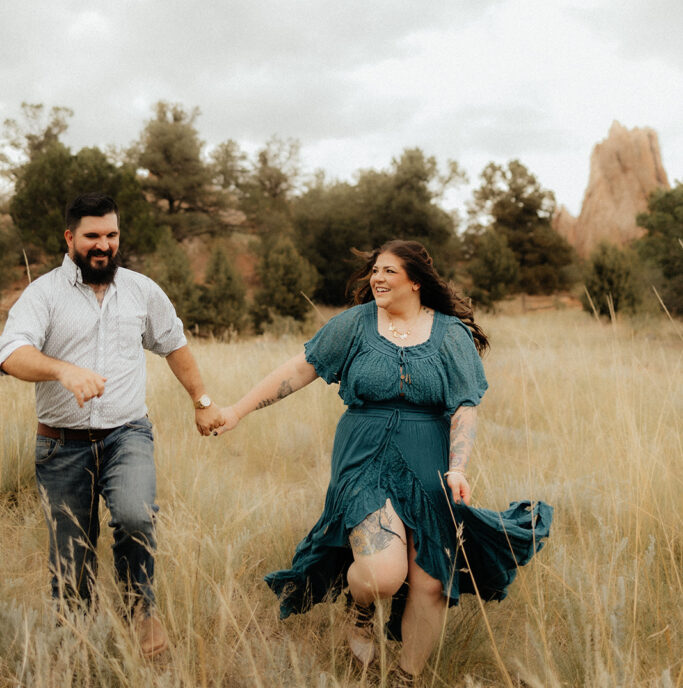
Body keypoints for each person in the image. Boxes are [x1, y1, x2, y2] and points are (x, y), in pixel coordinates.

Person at [216, 239, 552, 686]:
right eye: (375, 270)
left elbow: (465, 407)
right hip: (365, 456)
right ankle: (359, 610)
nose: (377, 278)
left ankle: (405, 677)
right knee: (381, 574)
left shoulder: (450, 334)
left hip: (429, 461)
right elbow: (298, 369)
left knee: (431, 580)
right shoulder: (355, 325)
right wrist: (237, 411)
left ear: (415, 281)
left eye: (390, 271)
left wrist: (458, 466)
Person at [0, 192, 225, 658]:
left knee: (136, 516)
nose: (103, 245)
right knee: (71, 555)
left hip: (127, 434)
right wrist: (62, 370)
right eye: (92, 236)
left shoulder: (142, 290)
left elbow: (174, 345)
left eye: (111, 235)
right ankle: (76, 643)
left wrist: (202, 401)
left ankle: (142, 611)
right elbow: (10, 353)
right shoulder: (43, 294)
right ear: (70, 238)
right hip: (61, 444)